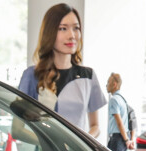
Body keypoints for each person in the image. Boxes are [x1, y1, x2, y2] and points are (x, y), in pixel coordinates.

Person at [18, 3, 106, 137]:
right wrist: (52, 143)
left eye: (76, 28)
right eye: (63, 29)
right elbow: (17, 130)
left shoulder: (88, 76)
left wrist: (82, 143)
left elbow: (95, 126)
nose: (72, 35)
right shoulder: (32, 75)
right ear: (50, 32)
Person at [106, 73, 135, 151]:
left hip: (118, 138)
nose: (106, 85)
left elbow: (119, 122)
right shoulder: (123, 99)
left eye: (108, 82)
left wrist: (126, 140)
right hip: (123, 138)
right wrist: (128, 139)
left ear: (114, 84)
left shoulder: (114, 100)